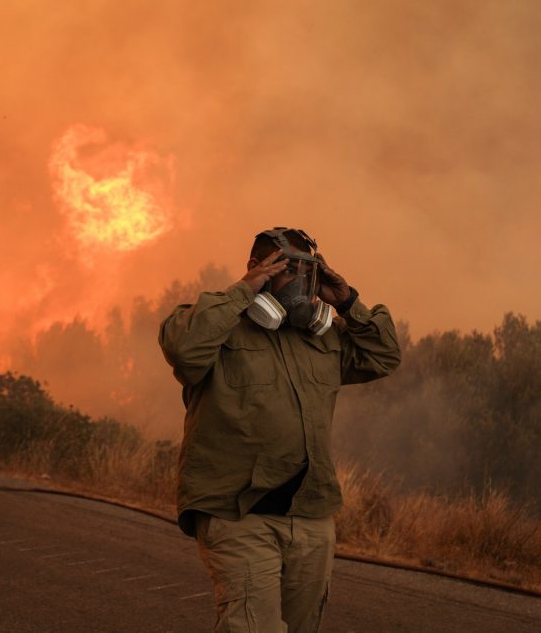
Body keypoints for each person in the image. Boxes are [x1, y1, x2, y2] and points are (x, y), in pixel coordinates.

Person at [159, 227, 401, 633]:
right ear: (258, 267)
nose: (302, 286)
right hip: (237, 513)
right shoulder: (218, 328)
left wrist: (347, 300)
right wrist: (244, 291)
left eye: (309, 274)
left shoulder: (323, 340)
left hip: (310, 514)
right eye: (290, 271)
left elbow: (385, 355)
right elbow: (184, 350)